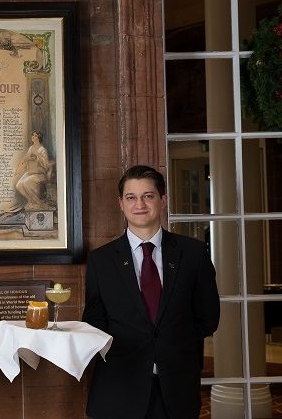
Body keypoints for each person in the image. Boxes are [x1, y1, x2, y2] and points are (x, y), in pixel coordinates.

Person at [82, 165, 220, 419]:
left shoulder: (193, 254)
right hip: (119, 387)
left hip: (176, 387)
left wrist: (171, 343)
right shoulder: (101, 260)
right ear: (120, 203)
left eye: (148, 196)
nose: (140, 204)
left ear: (163, 200)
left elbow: (208, 317)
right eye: (131, 197)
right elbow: (94, 321)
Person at [15, 130, 51, 210]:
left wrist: (38, 156)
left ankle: (38, 203)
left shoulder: (42, 150)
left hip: (39, 174)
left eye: (35, 135)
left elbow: (46, 166)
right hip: (30, 172)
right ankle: (31, 201)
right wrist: (22, 165)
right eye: (32, 135)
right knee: (19, 185)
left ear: (38, 137)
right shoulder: (31, 148)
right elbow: (26, 158)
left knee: (27, 182)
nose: (33, 137)